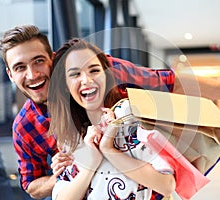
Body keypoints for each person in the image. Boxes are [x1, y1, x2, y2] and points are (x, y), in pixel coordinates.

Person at [0, 24, 220, 199]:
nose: (33, 74)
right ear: (10, 75)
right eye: (20, 67)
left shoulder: (98, 74)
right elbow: (32, 186)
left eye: (39, 61)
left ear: (53, 62)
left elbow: (172, 83)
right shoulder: (27, 127)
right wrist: (64, 171)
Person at [48, 38, 176, 199]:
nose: (86, 80)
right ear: (65, 85)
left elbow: (167, 185)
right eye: (75, 74)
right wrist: (92, 162)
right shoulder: (71, 136)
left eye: (94, 70)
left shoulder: (133, 116)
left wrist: (109, 149)